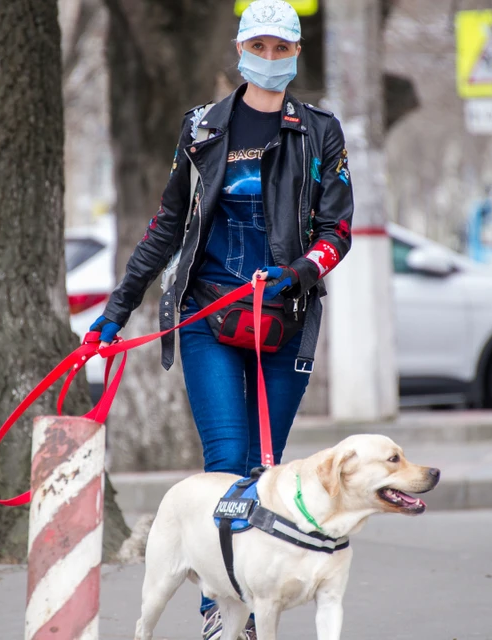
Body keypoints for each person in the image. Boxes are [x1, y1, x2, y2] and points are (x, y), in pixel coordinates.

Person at [90, 1, 353, 637]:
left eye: (280, 48)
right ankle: (220, 612)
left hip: (284, 318)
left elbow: (336, 232)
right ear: (238, 50)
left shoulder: (320, 132)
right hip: (209, 315)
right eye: (257, 47)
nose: (268, 59)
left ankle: (248, 606)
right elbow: (164, 228)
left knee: (267, 467)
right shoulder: (202, 130)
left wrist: (299, 272)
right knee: (228, 460)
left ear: (295, 54)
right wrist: (114, 313)